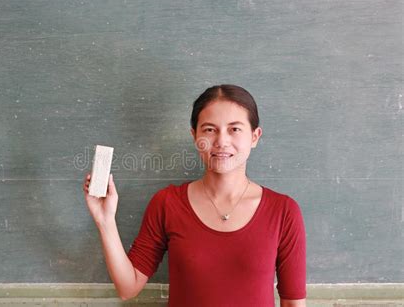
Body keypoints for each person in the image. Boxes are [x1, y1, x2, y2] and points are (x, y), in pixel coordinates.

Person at [83, 84, 307, 307]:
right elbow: (127, 288)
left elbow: (293, 303)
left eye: (234, 129)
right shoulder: (167, 203)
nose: (221, 141)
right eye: (210, 129)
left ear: (255, 136)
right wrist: (105, 221)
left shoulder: (283, 211)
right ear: (195, 135)